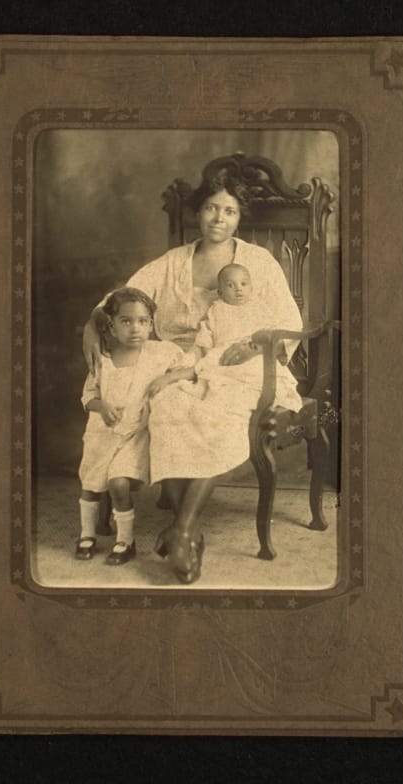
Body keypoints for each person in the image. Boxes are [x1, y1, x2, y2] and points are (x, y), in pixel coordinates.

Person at [82, 166, 302, 583]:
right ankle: (189, 528)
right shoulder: (172, 262)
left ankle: (181, 531)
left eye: (230, 211)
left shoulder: (259, 262)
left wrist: (254, 346)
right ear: (197, 213)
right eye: (211, 209)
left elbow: (288, 319)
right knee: (163, 403)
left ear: (240, 218)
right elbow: (119, 297)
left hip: (245, 366)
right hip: (180, 363)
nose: (219, 218)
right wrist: (91, 326)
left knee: (215, 414)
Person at [76, 288, 190, 566]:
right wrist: (101, 406)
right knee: (90, 486)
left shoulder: (162, 354)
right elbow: (88, 396)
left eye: (142, 321)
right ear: (111, 326)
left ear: (151, 325)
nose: (135, 328)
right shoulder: (102, 358)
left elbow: (191, 368)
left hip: (135, 435)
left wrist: (168, 380)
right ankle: (86, 534)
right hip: (102, 434)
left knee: (119, 483)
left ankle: (125, 540)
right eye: (126, 321)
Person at [182, 263, 302, 406]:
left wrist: (256, 348)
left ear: (251, 288)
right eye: (230, 285)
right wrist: (209, 352)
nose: (238, 289)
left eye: (244, 284)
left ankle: (250, 396)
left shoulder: (259, 308)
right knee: (211, 369)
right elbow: (205, 335)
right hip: (223, 355)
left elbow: (271, 333)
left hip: (253, 353)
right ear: (220, 293)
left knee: (256, 372)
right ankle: (214, 394)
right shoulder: (216, 310)